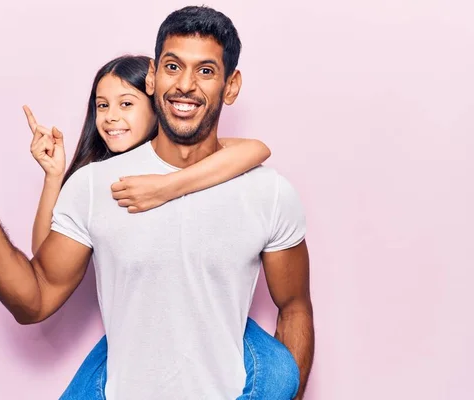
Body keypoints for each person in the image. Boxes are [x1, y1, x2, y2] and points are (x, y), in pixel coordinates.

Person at [0, 5, 314, 399]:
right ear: (153, 77)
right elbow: (35, 300)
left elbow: (295, 307)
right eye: (173, 67)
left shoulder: (269, 193)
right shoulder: (94, 185)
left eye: (206, 71)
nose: (186, 85)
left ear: (231, 86)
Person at [23, 54, 299, 399]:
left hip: (213, 318)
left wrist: (167, 186)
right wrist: (53, 177)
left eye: (126, 103)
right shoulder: (96, 181)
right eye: (102, 105)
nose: (110, 117)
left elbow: (256, 149)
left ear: (156, 101)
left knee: (276, 371)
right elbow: (43, 263)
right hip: (140, 331)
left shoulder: (194, 153)